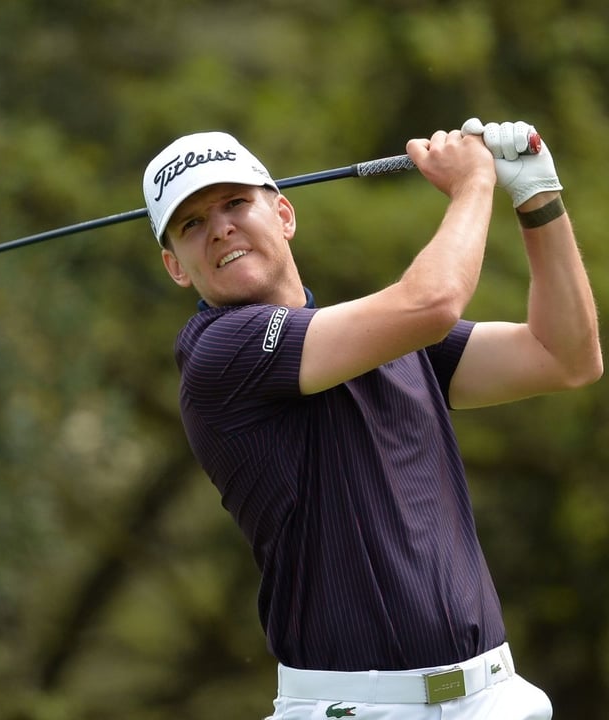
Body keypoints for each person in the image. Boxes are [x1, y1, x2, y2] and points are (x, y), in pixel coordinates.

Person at [141, 120, 600, 719]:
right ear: (176, 267)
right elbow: (432, 303)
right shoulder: (217, 353)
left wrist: (539, 198)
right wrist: (473, 186)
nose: (220, 227)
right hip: (354, 708)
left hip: (495, 697)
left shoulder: (387, 341)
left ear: (284, 215)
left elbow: (564, 356)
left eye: (234, 203)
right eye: (191, 224)